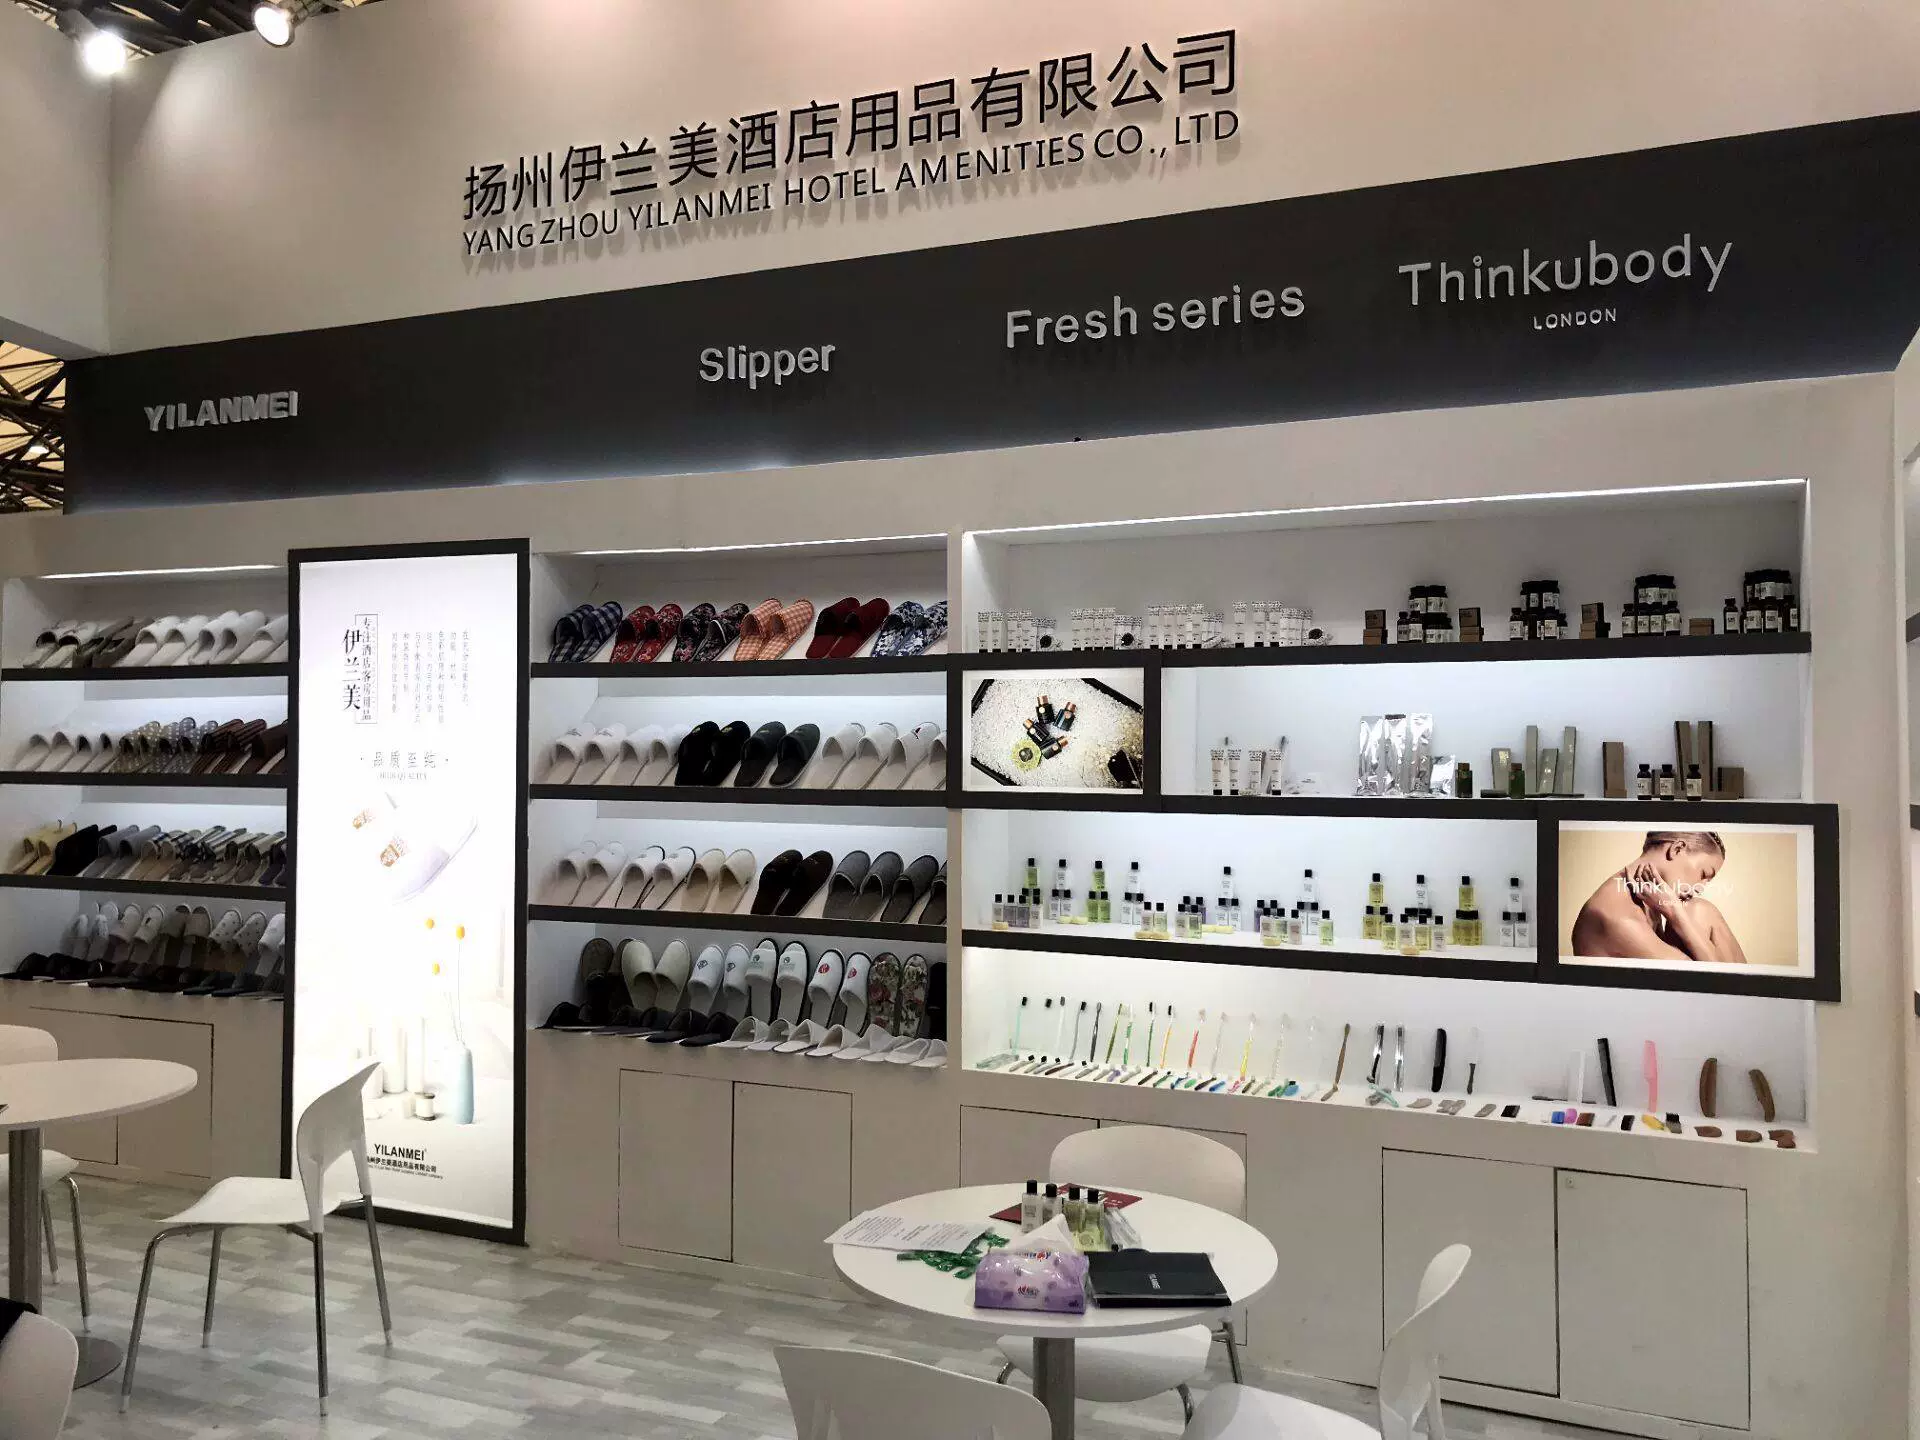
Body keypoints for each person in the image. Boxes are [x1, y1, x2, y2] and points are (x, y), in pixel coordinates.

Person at [1570, 830, 1747, 965]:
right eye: (1704, 874)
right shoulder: (1618, 917)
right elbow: (1715, 979)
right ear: (1677, 849)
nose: (1700, 888)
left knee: (1700, 910)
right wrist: (1675, 912)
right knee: (1697, 912)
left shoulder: (1647, 896)